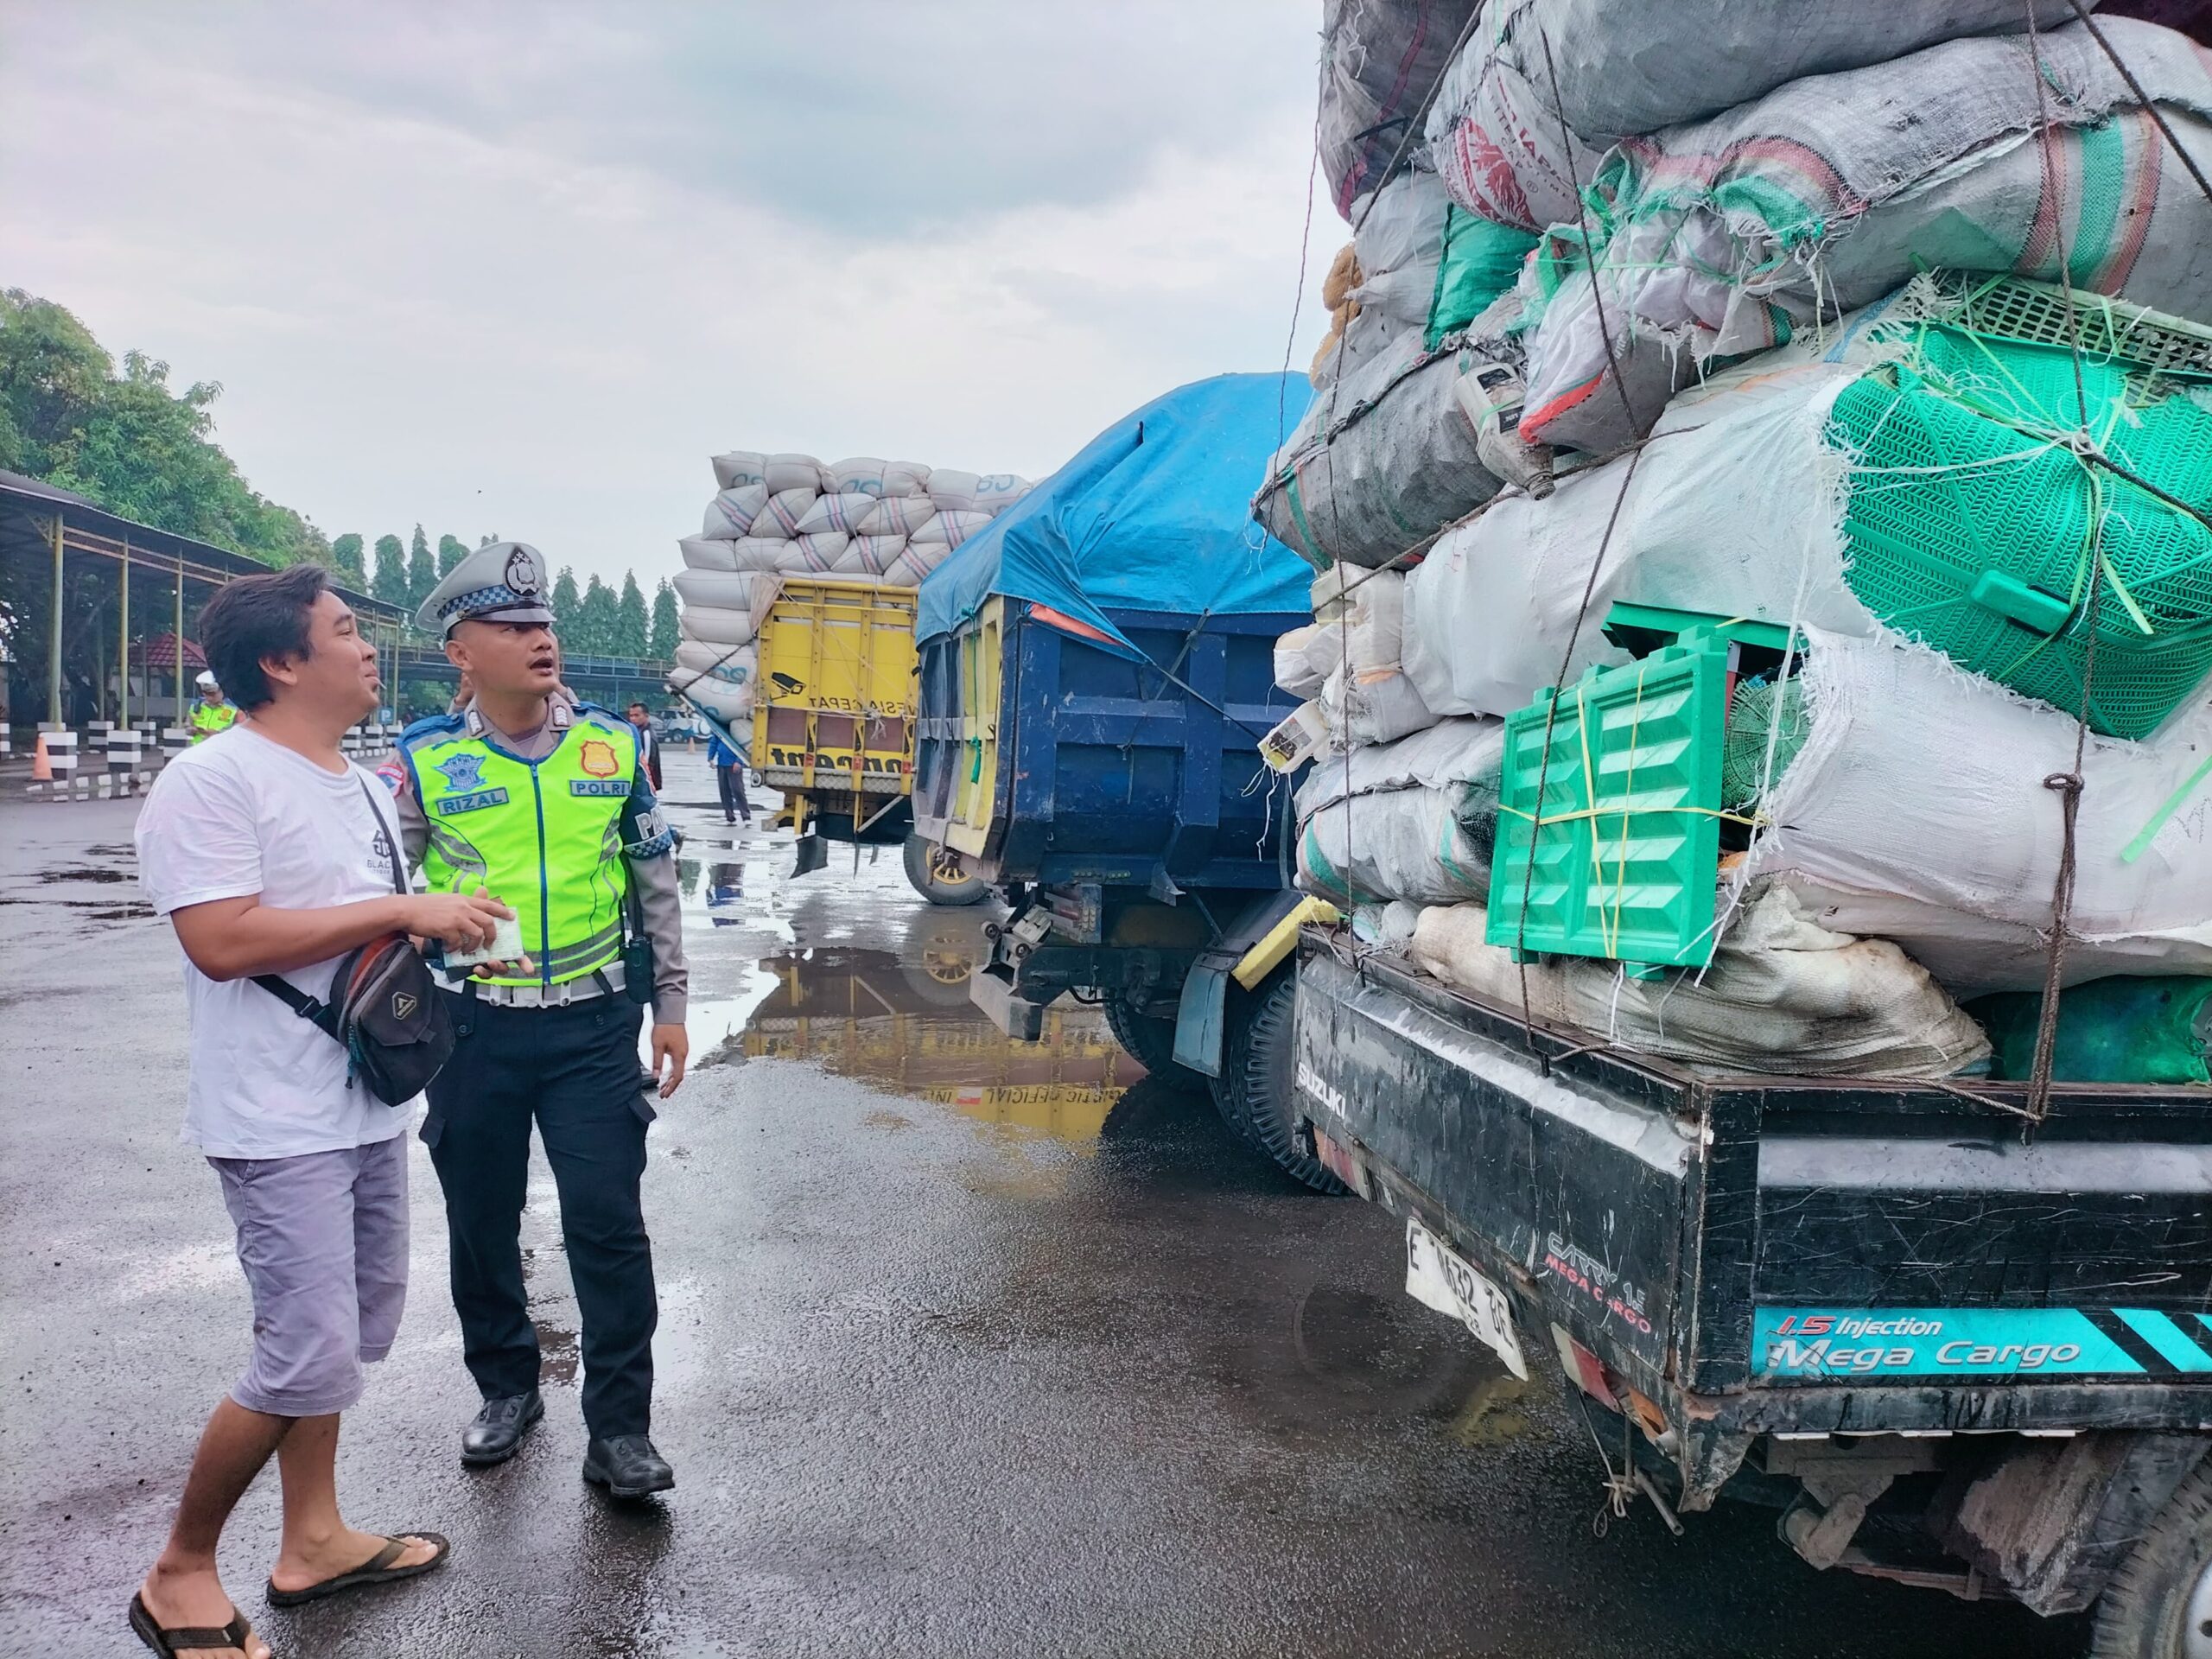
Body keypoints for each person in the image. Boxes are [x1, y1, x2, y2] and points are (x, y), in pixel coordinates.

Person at [132, 565, 504, 1657]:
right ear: (282, 662)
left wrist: (440, 925)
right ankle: (178, 1573)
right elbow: (221, 940)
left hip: (361, 1103)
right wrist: (403, 908)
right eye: (345, 631)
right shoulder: (213, 781)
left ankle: (315, 1538)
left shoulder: (355, 783)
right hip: (274, 1118)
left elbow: (363, 932)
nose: (367, 647)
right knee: (302, 1354)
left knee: (344, 1341)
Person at [394, 542, 690, 1500]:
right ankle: (507, 1389)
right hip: (472, 1031)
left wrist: (671, 1004)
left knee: (608, 1226)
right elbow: (386, 890)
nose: (540, 639)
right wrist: (420, 941)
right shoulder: (427, 760)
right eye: (513, 626)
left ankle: (621, 1432)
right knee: (482, 1221)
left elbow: (655, 880)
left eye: (544, 623)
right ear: (461, 652)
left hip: (593, 1030)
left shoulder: (612, 747)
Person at [707, 726, 750, 825]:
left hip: (734, 764)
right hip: (722, 764)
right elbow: (714, 743)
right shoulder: (719, 729)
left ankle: (746, 816)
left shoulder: (738, 731)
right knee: (724, 791)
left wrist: (739, 761)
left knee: (738, 790)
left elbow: (744, 746)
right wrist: (710, 758)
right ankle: (730, 817)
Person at [188, 670, 238, 743]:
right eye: (206, 694)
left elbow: (238, 731)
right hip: (198, 747)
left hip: (221, 747)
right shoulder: (195, 707)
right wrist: (191, 730)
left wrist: (218, 733)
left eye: (213, 694)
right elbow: (188, 725)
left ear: (222, 691)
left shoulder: (233, 709)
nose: (210, 698)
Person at [626, 701, 663, 791]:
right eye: (631, 716)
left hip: (646, 782)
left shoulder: (646, 734)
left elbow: (647, 762)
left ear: (646, 716)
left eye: (637, 715)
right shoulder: (637, 732)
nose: (633, 719)